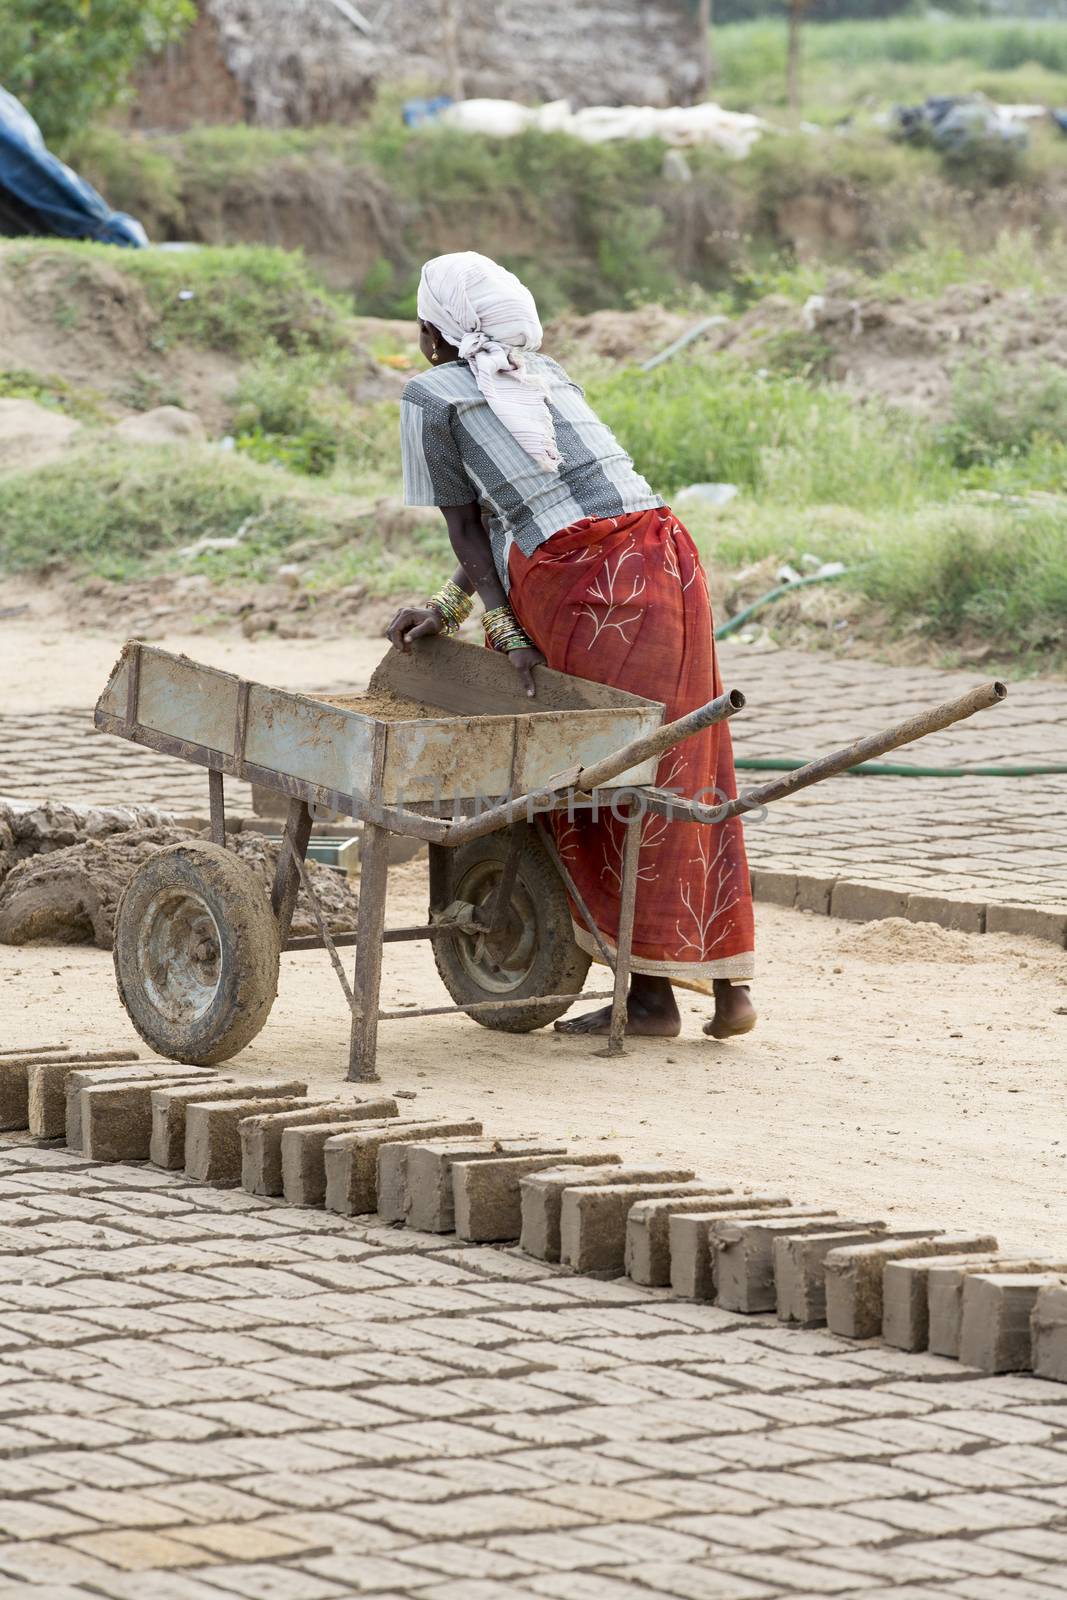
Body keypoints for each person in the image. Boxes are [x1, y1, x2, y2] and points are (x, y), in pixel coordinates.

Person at [386, 251, 755, 1040]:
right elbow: (523, 515)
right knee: (685, 758)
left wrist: (505, 628)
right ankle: (729, 990)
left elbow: (471, 526)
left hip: (584, 585)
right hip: (666, 556)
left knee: (587, 772)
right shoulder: (544, 374)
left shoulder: (429, 395)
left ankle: (651, 1000)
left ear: (432, 331)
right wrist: (449, 606)